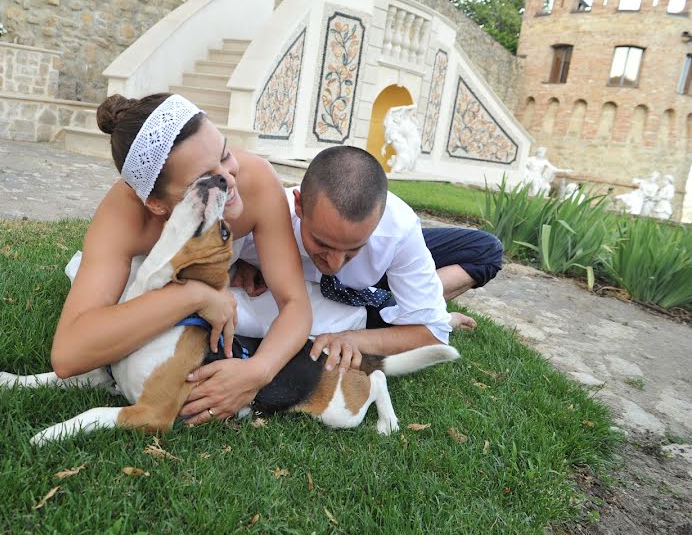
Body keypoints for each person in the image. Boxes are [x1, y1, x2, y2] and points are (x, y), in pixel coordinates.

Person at [51, 93, 312, 426]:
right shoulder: (123, 216)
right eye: (202, 181)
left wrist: (257, 372)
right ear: (156, 205)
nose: (229, 180)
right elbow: (69, 354)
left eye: (226, 154)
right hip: (154, 288)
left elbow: (295, 304)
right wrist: (196, 296)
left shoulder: (255, 180)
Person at [233, 145, 502, 373]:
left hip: (381, 271)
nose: (335, 264)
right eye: (321, 243)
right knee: (372, 313)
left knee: (485, 250)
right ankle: (409, 306)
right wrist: (242, 263)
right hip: (339, 297)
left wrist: (352, 339)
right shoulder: (260, 220)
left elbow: (431, 334)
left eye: (352, 249)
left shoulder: (396, 231)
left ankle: (418, 304)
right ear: (300, 206)